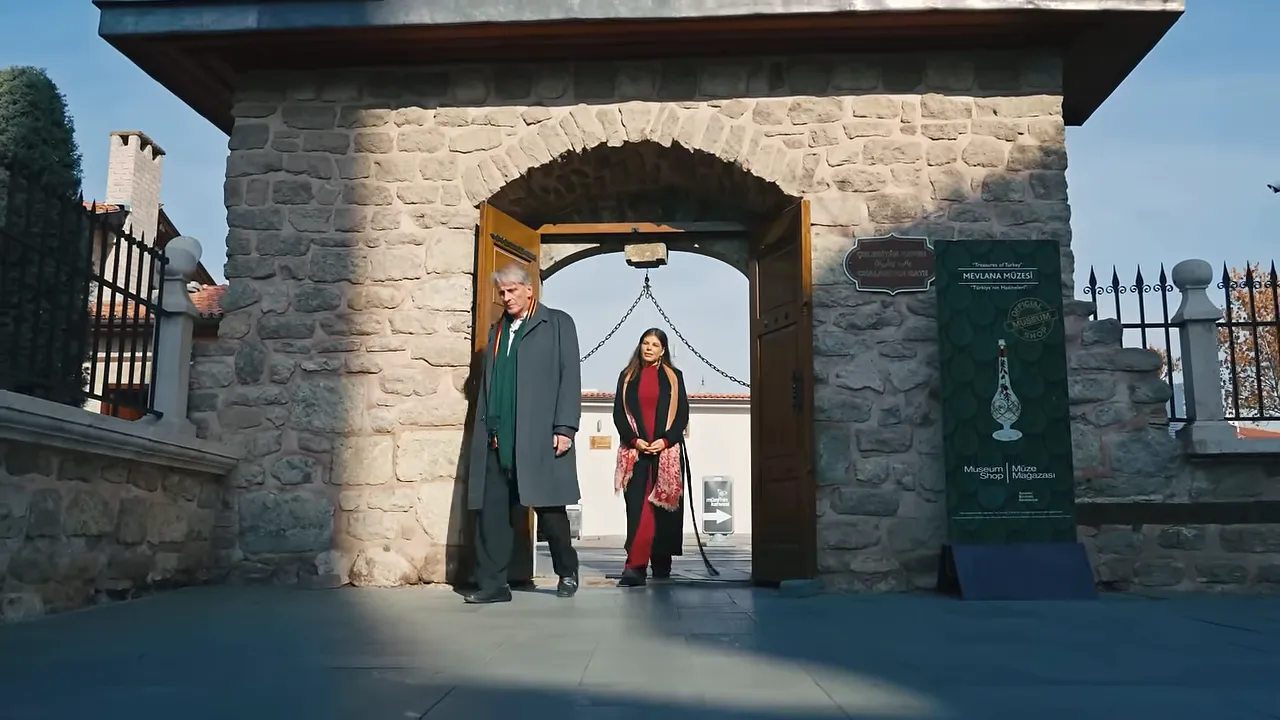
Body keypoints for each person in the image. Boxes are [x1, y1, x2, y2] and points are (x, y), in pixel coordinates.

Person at [464, 263, 582, 604]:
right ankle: (494, 584)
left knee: (549, 508)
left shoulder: (558, 323)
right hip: (496, 436)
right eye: (502, 292)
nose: (506, 297)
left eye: (512, 290)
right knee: (492, 511)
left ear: (530, 290)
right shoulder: (497, 331)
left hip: (538, 433)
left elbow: (569, 377)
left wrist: (565, 427)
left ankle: (567, 571)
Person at [611, 328, 690, 587]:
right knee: (638, 510)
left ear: (663, 350)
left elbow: (682, 416)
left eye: (654, 345)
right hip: (636, 454)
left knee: (662, 512)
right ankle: (634, 565)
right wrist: (636, 441)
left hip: (665, 452)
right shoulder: (627, 377)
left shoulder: (674, 377)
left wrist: (665, 440)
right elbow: (619, 416)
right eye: (645, 343)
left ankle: (661, 560)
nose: (648, 348)